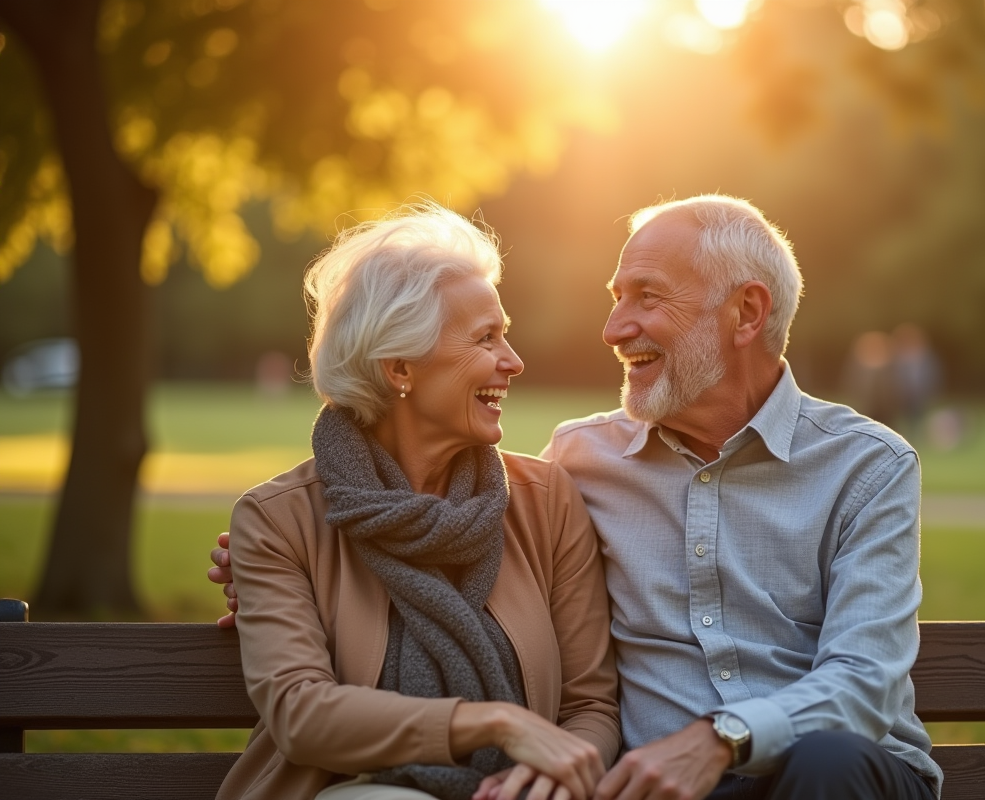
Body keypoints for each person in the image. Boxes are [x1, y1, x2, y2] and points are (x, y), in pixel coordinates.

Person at [214, 195, 942, 800]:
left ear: (746, 314)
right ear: (398, 364)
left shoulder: (866, 467)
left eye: (646, 298)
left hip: (831, 778)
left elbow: (862, 678)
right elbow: (313, 665)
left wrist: (719, 741)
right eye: (616, 298)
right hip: (650, 789)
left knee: (826, 763)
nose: (612, 328)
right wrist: (275, 572)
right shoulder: (579, 462)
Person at [211, 202, 620, 800]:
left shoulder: (546, 502)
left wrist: (550, 773)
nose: (514, 361)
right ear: (400, 366)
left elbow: (591, 704)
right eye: (486, 338)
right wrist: (494, 723)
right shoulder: (279, 520)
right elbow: (301, 714)